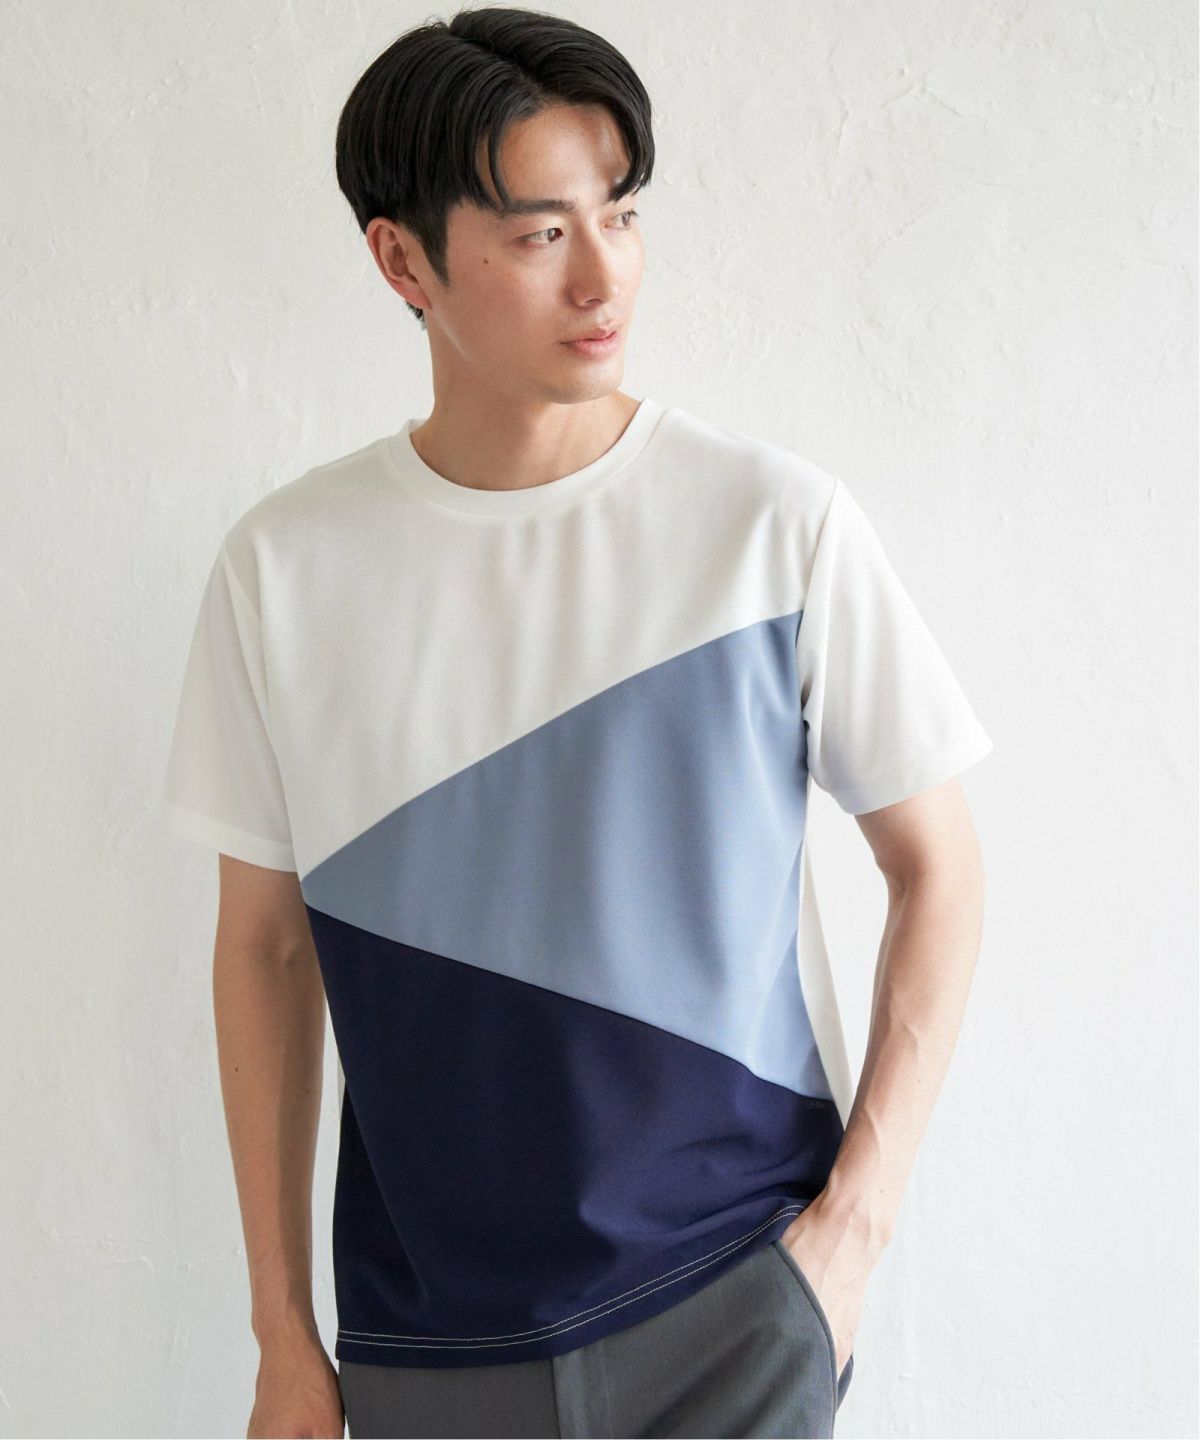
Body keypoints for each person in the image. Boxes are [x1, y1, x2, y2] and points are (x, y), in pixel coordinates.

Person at [161, 7, 994, 1437]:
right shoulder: (284, 570)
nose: (604, 275)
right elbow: (263, 947)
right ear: (402, 261)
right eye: (542, 233)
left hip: (736, 1302)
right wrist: (280, 1333)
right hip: (431, 1343)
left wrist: (849, 1239)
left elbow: (942, 868)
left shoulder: (769, 525)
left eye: (621, 212)